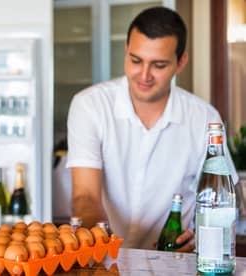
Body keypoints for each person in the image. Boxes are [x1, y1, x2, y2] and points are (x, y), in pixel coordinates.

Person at [66, 6, 238, 251]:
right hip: (107, 258)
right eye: (136, 60)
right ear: (126, 51)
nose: (144, 75)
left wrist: (199, 240)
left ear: (181, 63)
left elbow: (224, 202)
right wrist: (102, 244)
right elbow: (85, 196)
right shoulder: (90, 105)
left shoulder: (204, 118)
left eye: (158, 65)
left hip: (176, 263)